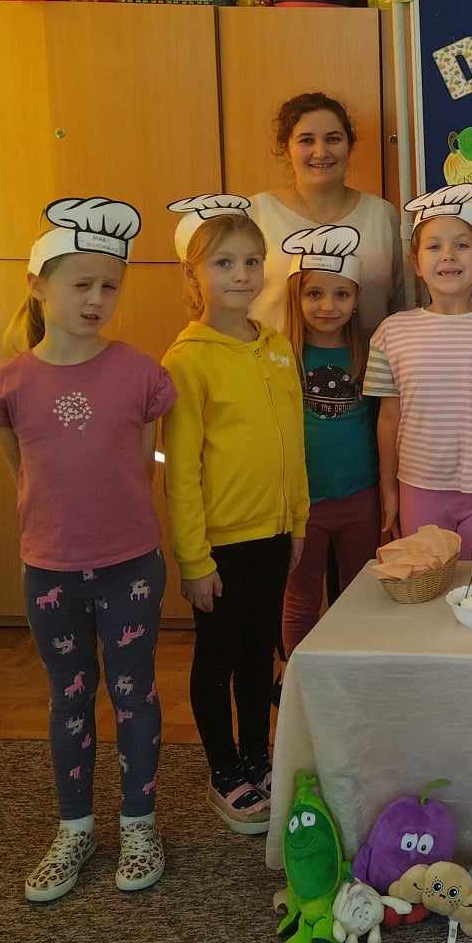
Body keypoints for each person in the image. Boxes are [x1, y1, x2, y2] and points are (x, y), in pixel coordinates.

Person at [0, 198, 172, 902]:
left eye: (109, 286)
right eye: (80, 284)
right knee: (69, 696)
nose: (96, 299)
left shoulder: (142, 374)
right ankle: (76, 827)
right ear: (38, 286)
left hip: (131, 567)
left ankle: (140, 823)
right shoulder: (7, 384)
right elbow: (22, 470)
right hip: (50, 569)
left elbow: (145, 463)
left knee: (134, 695)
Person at [161, 197, 308, 835]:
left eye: (252, 261)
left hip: (274, 536)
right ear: (193, 274)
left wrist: (297, 521)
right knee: (218, 657)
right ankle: (224, 770)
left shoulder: (277, 347)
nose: (242, 274)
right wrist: (194, 560)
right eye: (224, 263)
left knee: (258, 654)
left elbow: (292, 442)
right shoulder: (186, 360)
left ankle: (257, 756)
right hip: (220, 546)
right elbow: (181, 471)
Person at [364, 183, 472, 559]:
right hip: (419, 486)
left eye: (462, 245)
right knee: (430, 578)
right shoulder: (392, 332)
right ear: (416, 263)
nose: (448, 255)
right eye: (434, 247)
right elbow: (388, 418)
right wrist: (389, 490)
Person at [277, 225, 379, 656]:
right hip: (303, 502)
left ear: (356, 300)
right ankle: (296, 674)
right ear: (296, 298)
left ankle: (351, 669)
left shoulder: (369, 353)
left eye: (341, 294)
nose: (327, 306)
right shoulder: (282, 356)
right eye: (314, 294)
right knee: (300, 597)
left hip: (360, 497)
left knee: (359, 594)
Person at [248, 91, 405, 338]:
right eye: (306, 140)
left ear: (349, 146)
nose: (320, 152)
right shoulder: (254, 214)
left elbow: (403, 305)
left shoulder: (383, 216)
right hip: (269, 361)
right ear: (286, 148)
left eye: (333, 139)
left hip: (369, 361)